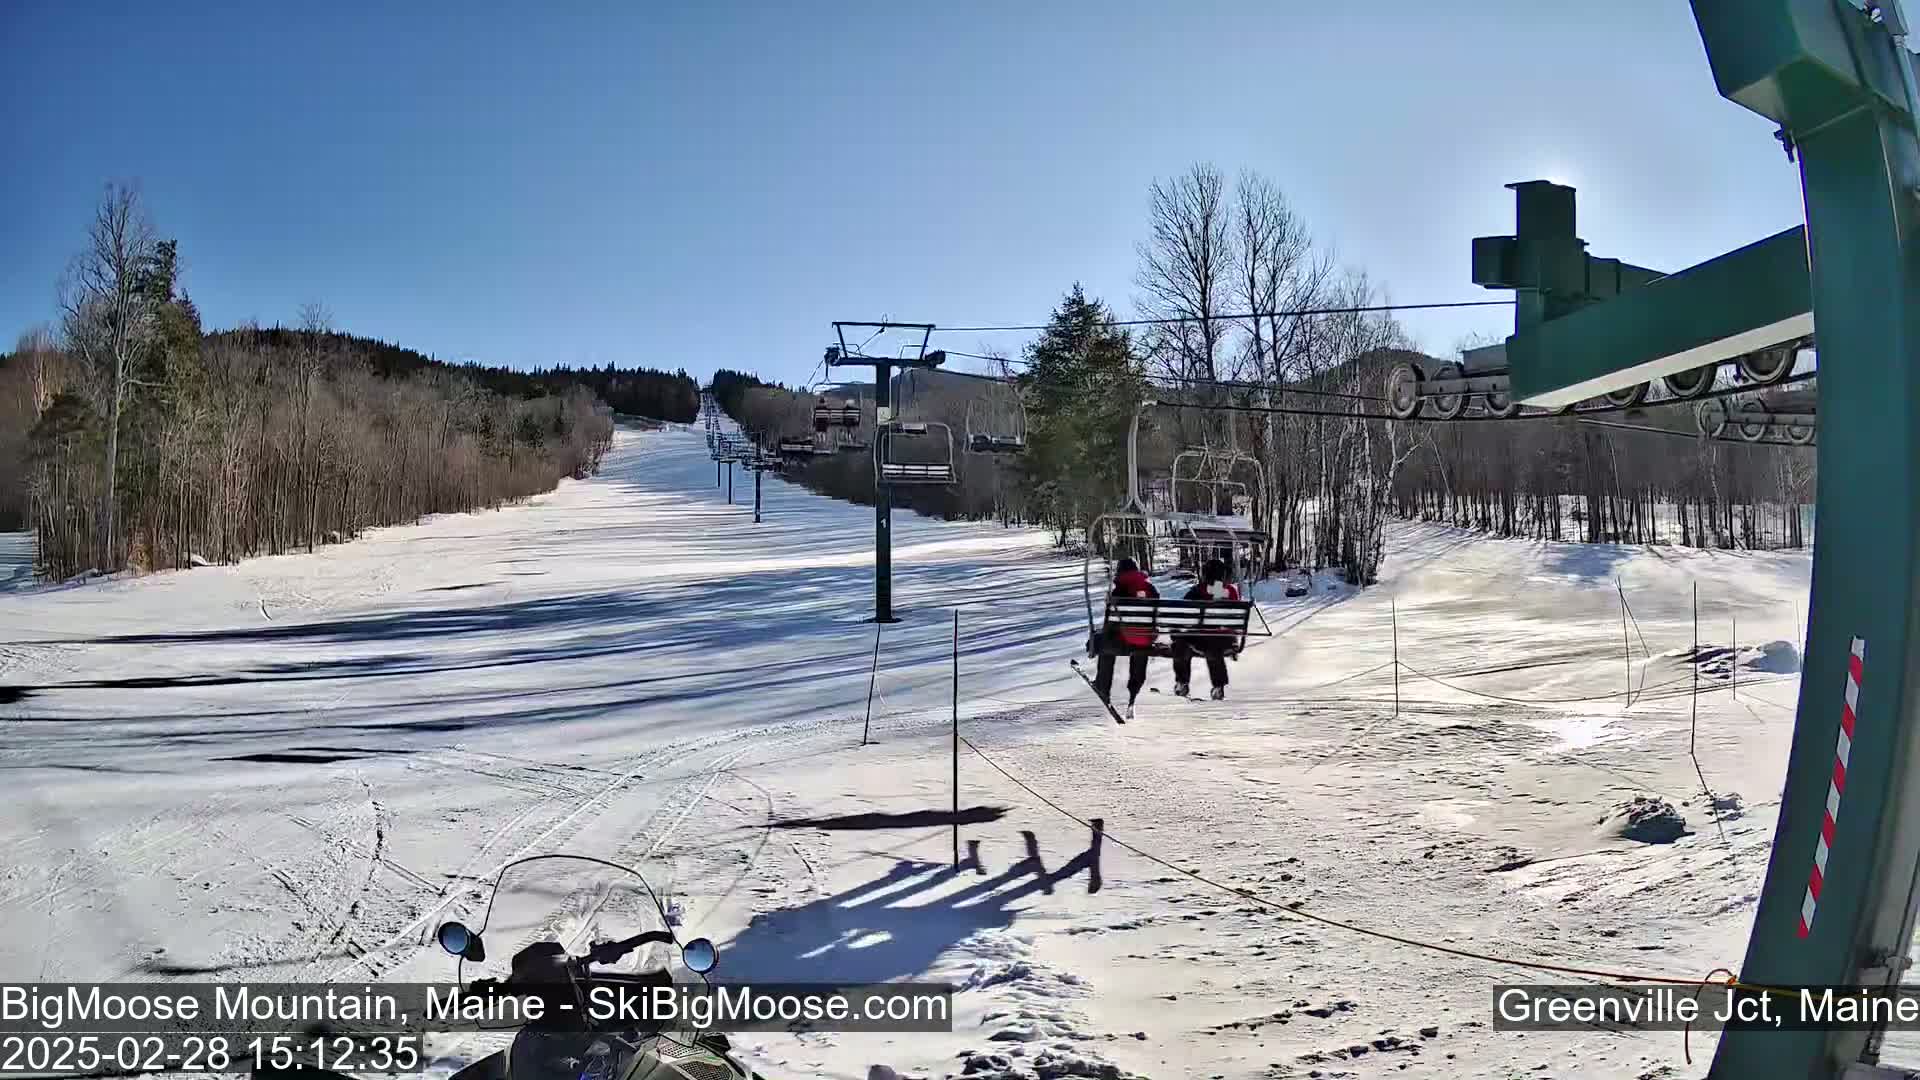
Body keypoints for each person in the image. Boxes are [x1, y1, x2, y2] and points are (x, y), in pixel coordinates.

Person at [1092, 557, 1157, 717]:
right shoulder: (1151, 589)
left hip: (1123, 642)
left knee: (1105, 645)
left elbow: (1110, 624)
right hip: (1145, 641)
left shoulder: (1118, 591)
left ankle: (1103, 686)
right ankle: (1132, 698)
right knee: (1141, 648)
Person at [1173, 557, 1239, 700]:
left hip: (1203, 639)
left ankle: (1182, 682)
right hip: (1227, 639)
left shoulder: (1198, 591)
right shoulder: (1231, 590)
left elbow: (1182, 612)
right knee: (1213, 645)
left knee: (1181, 642)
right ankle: (1218, 686)